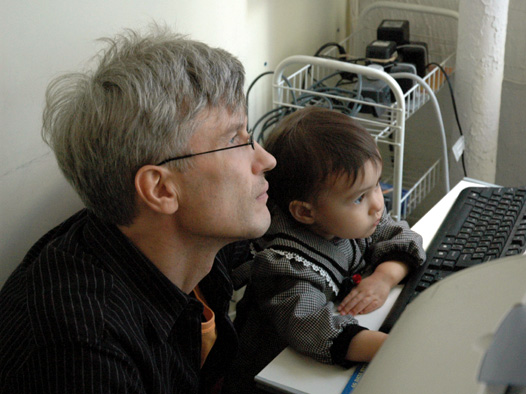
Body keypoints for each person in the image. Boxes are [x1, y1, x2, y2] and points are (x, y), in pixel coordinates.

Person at [0, 26, 276, 393]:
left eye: (250, 135)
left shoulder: (197, 238)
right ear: (161, 189)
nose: (267, 159)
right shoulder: (82, 353)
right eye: (234, 140)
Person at [226, 106, 426, 393]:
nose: (377, 204)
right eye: (359, 197)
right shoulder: (285, 266)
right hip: (273, 380)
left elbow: (400, 235)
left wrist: (384, 277)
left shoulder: (347, 221)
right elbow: (317, 328)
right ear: (305, 213)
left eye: (376, 186)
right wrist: (400, 346)